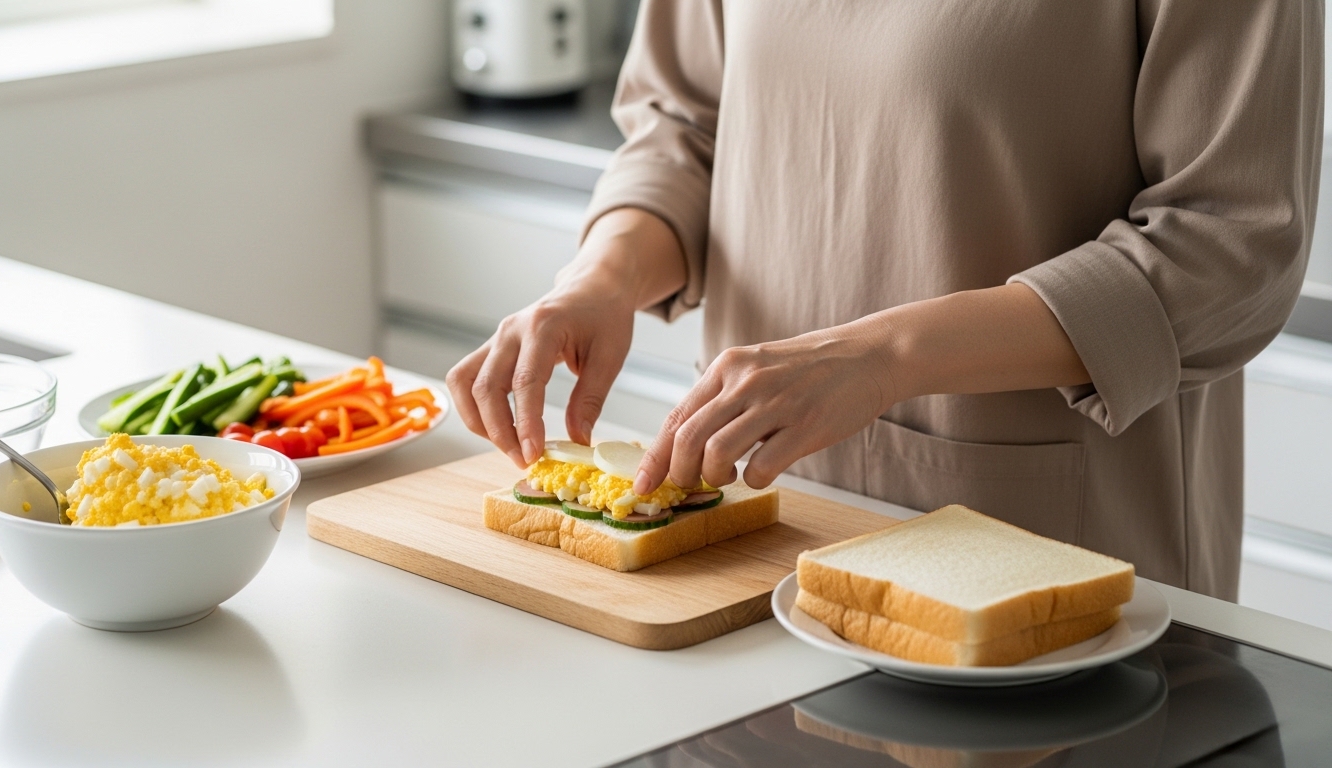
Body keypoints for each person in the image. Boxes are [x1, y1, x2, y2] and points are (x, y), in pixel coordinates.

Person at [448, 0, 1323, 599]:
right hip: (755, 528)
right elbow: (686, 127)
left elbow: (1231, 242)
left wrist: (884, 358)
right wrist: (601, 278)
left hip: (1051, 532)